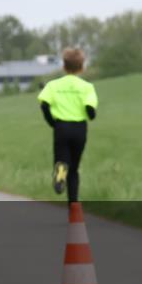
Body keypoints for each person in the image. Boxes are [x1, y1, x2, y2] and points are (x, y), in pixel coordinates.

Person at [36, 47, 99, 203]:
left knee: (62, 161)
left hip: (61, 128)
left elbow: (44, 105)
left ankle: (59, 175)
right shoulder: (87, 87)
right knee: (75, 169)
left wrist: (52, 122)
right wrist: (91, 114)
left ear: (63, 66)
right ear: (82, 66)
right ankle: (74, 206)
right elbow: (90, 110)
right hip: (79, 129)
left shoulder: (53, 85)